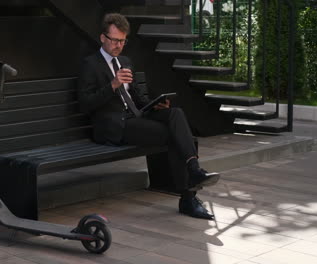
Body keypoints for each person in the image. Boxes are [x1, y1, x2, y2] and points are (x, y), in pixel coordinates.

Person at [77, 13, 220, 219]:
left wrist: (156, 105)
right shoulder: (90, 65)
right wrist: (113, 85)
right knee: (175, 136)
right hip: (114, 126)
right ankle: (189, 194)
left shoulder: (125, 61)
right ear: (102, 38)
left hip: (136, 117)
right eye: (115, 40)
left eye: (123, 41)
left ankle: (193, 170)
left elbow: (137, 99)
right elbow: (86, 105)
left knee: (175, 114)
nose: (118, 45)